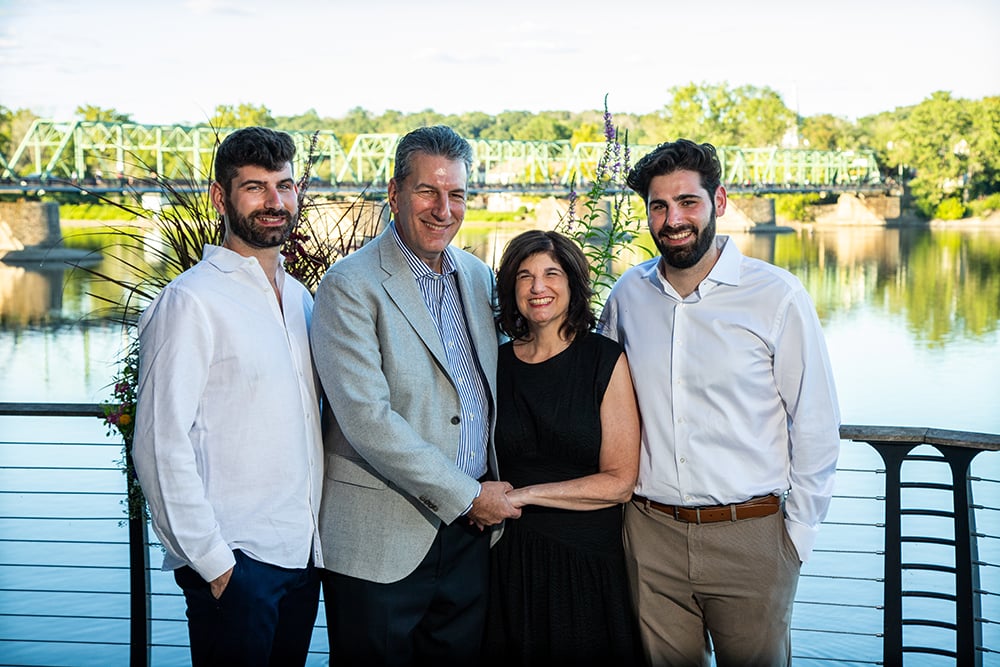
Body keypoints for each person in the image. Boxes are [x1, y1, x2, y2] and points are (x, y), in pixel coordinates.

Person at [598, 138, 841, 667]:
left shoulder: (777, 296)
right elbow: (602, 403)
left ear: (720, 201)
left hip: (751, 538)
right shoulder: (626, 296)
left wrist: (794, 539)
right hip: (650, 535)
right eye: (658, 206)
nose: (672, 219)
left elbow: (817, 424)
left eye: (688, 202)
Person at [309, 125, 521, 666]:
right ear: (395, 192)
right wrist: (468, 495)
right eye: (428, 191)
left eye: (457, 195)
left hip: (472, 539)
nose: (442, 209)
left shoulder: (476, 276)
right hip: (381, 542)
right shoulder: (349, 285)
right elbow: (367, 420)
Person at [132, 126, 324, 666]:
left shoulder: (301, 299)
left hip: (302, 557)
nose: (274, 202)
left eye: (284, 186)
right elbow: (157, 445)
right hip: (237, 564)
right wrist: (216, 565)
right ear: (221, 197)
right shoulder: (190, 301)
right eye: (255, 187)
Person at [482, 230, 642, 665]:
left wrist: (523, 495)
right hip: (510, 561)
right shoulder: (495, 365)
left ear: (572, 284)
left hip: (586, 565)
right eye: (524, 276)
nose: (538, 287)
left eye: (552, 274)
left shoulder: (604, 359)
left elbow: (620, 482)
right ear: (510, 290)